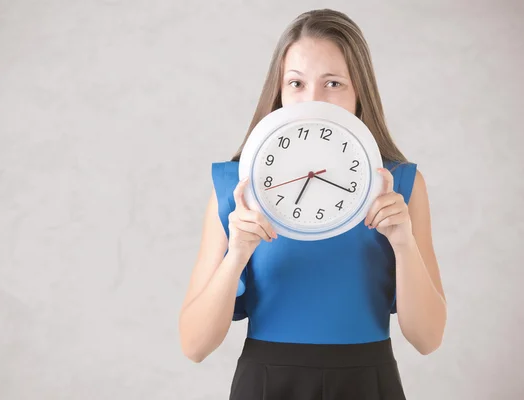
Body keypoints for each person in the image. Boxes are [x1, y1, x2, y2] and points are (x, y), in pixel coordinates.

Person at [178, 8, 447, 400]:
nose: (312, 100)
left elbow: (428, 339)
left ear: (359, 94)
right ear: (280, 93)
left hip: (367, 384)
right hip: (266, 385)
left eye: (333, 83)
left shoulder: (402, 187)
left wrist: (403, 244)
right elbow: (194, 345)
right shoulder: (234, 187)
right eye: (297, 83)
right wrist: (236, 254)